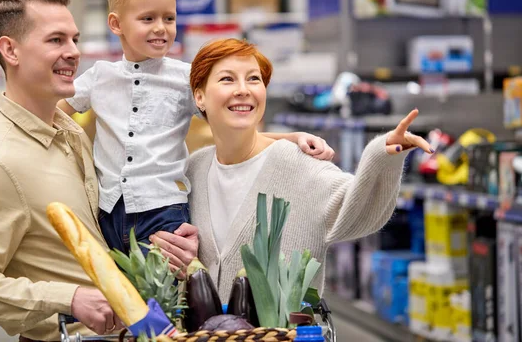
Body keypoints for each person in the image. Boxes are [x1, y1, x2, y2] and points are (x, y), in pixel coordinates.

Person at [0, 0, 335, 259]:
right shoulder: (99, 78)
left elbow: (232, 126)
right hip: (107, 211)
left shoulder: (187, 78)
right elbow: (44, 112)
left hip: (163, 210)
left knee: (166, 298)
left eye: (168, 19)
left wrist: (291, 138)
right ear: (116, 25)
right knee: (115, 296)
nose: (161, 29)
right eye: (148, 19)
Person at [0, 0, 159, 342]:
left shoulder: (68, 131)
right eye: (56, 40)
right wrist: (68, 298)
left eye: (74, 39)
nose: (73, 52)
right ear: (10, 50)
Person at [150, 38, 434, 302]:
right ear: (199, 97)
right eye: (227, 79)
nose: (243, 90)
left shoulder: (296, 166)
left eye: (254, 79)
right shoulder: (193, 170)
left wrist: (382, 154)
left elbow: (359, 212)